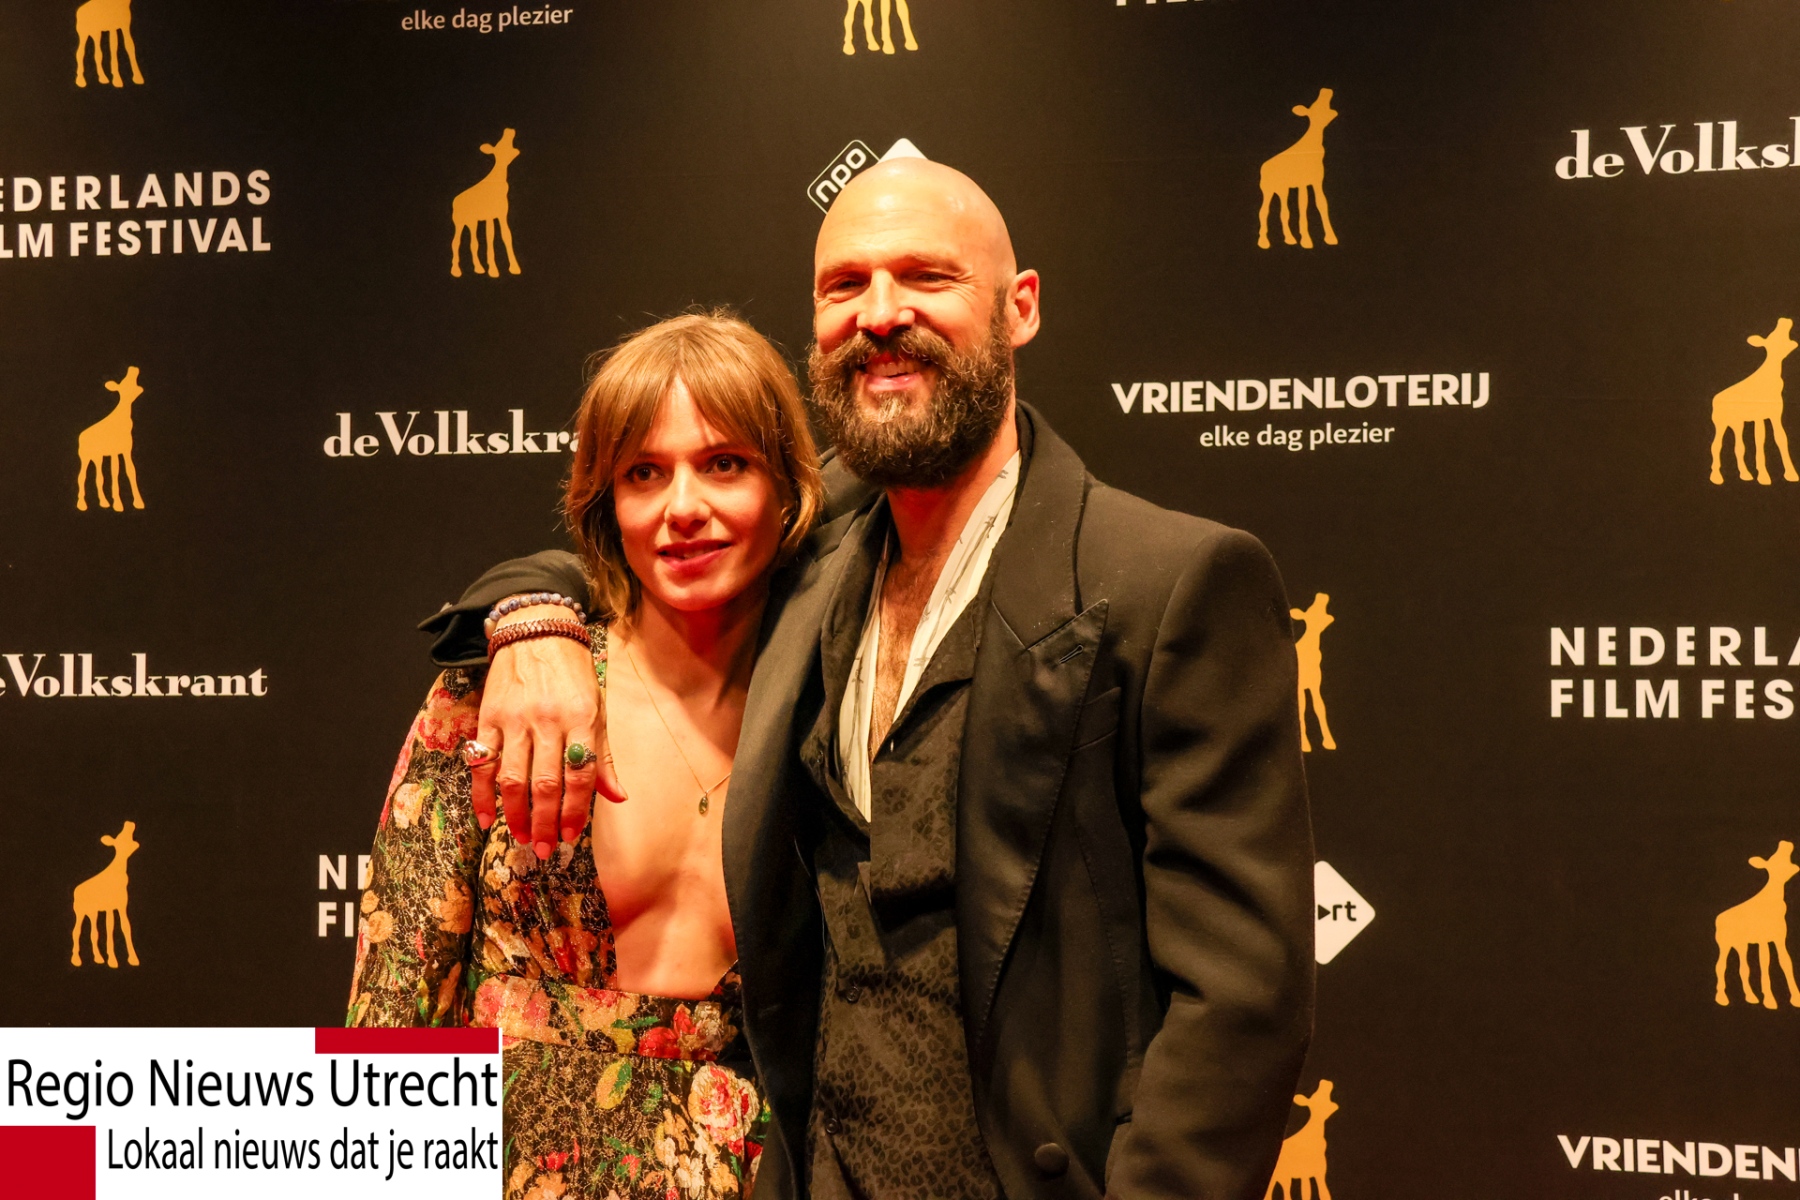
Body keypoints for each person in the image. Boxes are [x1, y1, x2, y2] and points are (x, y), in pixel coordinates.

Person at [422, 159, 1316, 1199]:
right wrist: (532, 617)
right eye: (845, 285)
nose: (881, 313)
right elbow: (647, 544)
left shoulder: (1169, 579)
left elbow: (1241, 1004)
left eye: (927, 277)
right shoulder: (813, 556)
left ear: (1020, 307)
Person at [348, 312, 826, 1200]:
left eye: (724, 463)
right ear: (607, 502)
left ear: (786, 486)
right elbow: (393, 1005)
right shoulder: (500, 695)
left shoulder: (834, 711)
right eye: (645, 473)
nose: (683, 508)